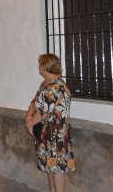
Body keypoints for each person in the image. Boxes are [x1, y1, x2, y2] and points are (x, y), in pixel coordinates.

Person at [25, 54, 75, 192]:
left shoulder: (56, 87)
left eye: (40, 64)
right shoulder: (45, 84)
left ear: (46, 67)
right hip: (45, 133)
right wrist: (29, 116)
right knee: (49, 165)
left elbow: (44, 112)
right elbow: (35, 103)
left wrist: (30, 124)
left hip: (56, 134)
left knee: (57, 167)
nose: (38, 67)